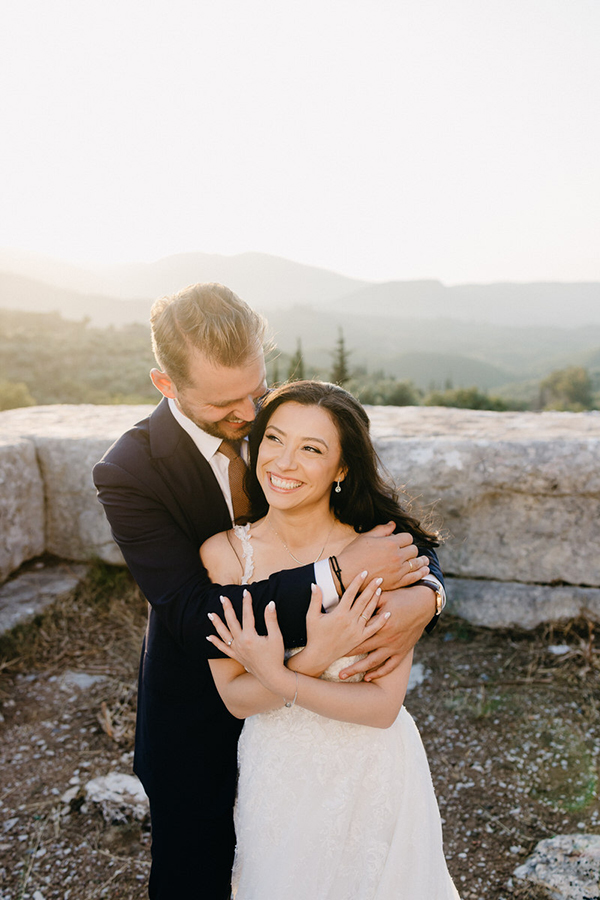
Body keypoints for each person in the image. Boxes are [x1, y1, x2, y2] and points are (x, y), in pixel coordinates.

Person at [93, 283, 446, 899]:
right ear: (166, 385)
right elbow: (192, 613)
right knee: (197, 878)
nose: (253, 416)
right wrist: (333, 580)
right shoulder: (129, 472)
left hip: (331, 739)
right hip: (199, 714)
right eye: (228, 403)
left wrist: (427, 596)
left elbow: (383, 523)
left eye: (256, 390)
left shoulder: (283, 421)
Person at [202, 380, 459, 899]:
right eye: (274, 439)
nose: (284, 462)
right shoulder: (225, 556)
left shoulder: (380, 552)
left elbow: (382, 705)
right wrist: (318, 653)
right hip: (275, 771)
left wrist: (275, 675)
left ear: (343, 468)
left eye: (311, 449)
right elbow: (234, 696)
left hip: (372, 769)